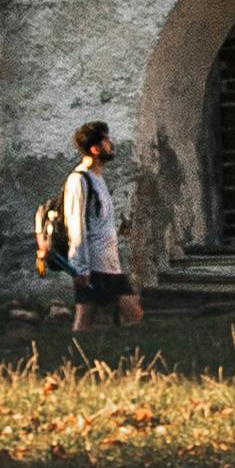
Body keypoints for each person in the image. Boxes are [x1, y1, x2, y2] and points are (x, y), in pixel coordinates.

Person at [59, 119, 141, 338]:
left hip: (108, 264)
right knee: (88, 320)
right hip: (93, 266)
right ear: (95, 149)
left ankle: (98, 357)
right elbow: (76, 225)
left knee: (126, 316)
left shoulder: (98, 179)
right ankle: (76, 361)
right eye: (106, 141)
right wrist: (81, 268)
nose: (111, 145)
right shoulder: (79, 180)